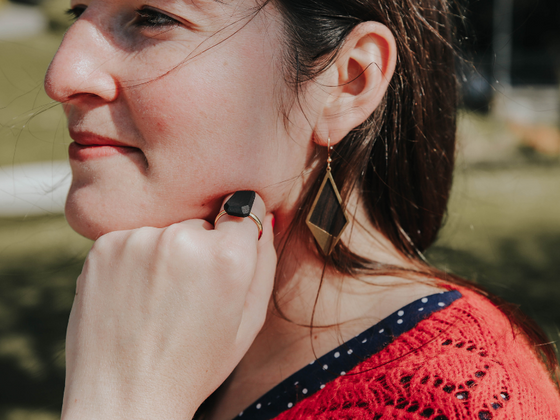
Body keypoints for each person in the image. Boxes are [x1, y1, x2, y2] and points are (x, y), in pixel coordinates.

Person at [44, 0, 560, 418]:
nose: (62, 76)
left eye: (153, 17)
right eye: (79, 10)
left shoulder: (447, 402)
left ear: (348, 82)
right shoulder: (175, 331)